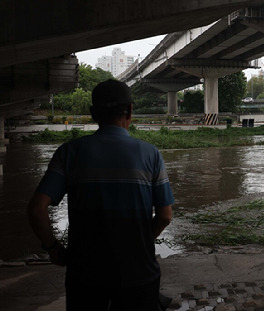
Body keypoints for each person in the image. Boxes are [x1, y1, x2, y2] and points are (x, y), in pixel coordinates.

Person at [27, 79, 174, 311]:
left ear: (93, 113)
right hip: (138, 272)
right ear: (130, 111)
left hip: (85, 274)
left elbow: (36, 209)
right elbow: (165, 216)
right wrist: (142, 243)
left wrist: (53, 248)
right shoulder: (151, 155)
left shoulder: (68, 153)